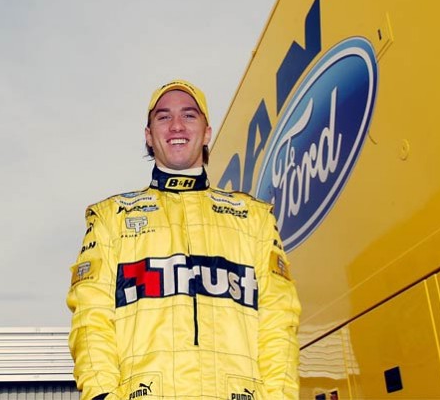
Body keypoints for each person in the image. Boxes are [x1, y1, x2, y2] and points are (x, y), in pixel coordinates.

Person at [66, 80, 301, 400]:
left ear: (206, 132)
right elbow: (92, 323)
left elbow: (278, 322)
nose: (176, 125)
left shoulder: (255, 218)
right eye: (163, 117)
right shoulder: (110, 218)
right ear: (149, 136)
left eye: (189, 115)